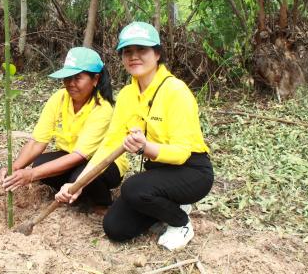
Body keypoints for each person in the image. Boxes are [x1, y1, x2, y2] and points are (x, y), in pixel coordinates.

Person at [55, 22, 214, 250]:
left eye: (142, 50)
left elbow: (181, 153)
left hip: (191, 170)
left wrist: (145, 147)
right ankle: (170, 204)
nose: (134, 57)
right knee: (116, 228)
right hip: (159, 172)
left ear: (157, 54)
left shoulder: (176, 91)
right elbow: (110, 144)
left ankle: (181, 222)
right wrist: (78, 183)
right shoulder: (128, 95)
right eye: (128, 51)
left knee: (133, 188)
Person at [0, 47, 128, 208]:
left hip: (102, 163)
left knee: (79, 178)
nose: (70, 84)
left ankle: (101, 202)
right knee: (40, 163)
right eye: (67, 77)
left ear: (95, 79)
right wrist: (15, 168)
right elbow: (37, 142)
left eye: (77, 78)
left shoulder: (103, 108)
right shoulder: (58, 98)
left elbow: (79, 156)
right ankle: (75, 191)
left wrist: (31, 175)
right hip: (71, 156)